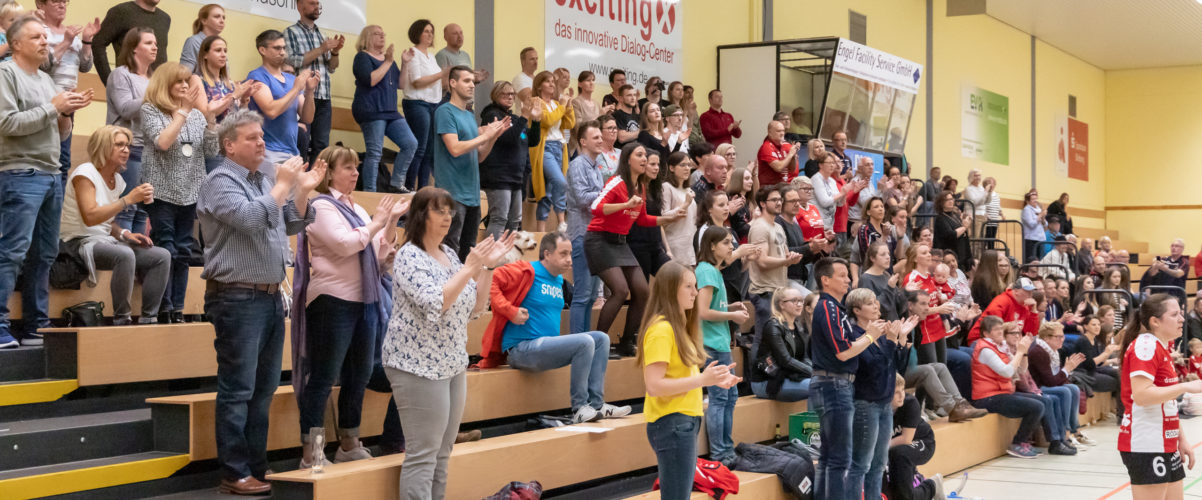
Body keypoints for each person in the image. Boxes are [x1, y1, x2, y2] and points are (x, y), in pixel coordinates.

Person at [197, 110, 324, 495]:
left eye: (262, 137)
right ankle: (234, 471)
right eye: (251, 138)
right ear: (229, 145)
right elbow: (252, 219)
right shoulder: (219, 181)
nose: (261, 143)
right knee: (238, 390)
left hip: (269, 296)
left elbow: (291, 222)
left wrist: (301, 190)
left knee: (263, 389)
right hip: (236, 296)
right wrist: (283, 184)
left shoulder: (264, 180)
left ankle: (256, 465)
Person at [382, 187, 513, 500]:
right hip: (416, 366)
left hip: (452, 363)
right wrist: (470, 267)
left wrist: (486, 267)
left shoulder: (450, 255)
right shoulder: (409, 256)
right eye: (438, 210)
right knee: (423, 454)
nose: (447, 217)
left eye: (449, 211)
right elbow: (435, 303)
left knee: (443, 453)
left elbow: (476, 307)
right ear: (420, 215)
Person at [293, 146, 407, 467]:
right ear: (329, 173)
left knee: (359, 375)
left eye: (357, 167)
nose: (356, 173)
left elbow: (377, 252)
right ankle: (312, 453)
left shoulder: (357, 209)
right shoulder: (320, 206)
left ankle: (348, 443)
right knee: (324, 378)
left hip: (364, 302)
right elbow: (345, 245)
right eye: (348, 167)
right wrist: (378, 222)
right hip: (332, 301)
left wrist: (390, 221)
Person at [0, 16, 92, 348]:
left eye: (45, 36)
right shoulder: (6, 74)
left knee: (45, 254)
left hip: (52, 174)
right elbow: (6, 123)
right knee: (12, 251)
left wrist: (66, 114)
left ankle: (35, 325)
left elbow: (61, 134)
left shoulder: (46, 80)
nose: (45, 42)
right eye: (37, 37)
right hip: (20, 173)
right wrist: (53, 108)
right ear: (15, 44)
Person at [487, 231, 632, 424]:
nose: (569, 259)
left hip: (545, 348)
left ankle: (597, 404)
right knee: (584, 341)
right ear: (547, 254)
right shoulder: (526, 269)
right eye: (563, 254)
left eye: (570, 254)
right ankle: (580, 407)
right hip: (521, 349)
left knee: (601, 339)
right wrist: (510, 311)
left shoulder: (558, 280)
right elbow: (492, 279)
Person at [640, 261, 741, 500]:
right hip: (672, 423)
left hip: (683, 421)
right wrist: (703, 380)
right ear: (670, 289)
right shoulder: (661, 330)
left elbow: (681, 377)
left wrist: (714, 379)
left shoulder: (678, 327)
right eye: (689, 286)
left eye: (695, 286)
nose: (695, 292)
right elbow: (654, 386)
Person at [59, 125, 168, 326]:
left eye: (127, 145)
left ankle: (149, 318)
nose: (126, 150)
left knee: (161, 256)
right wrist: (127, 200)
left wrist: (125, 234)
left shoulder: (117, 180)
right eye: (119, 145)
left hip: (104, 240)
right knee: (124, 254)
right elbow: (90, 217)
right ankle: (122, 318)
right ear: (102, 147)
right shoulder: (85, 173)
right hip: (77, 242)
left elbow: (107, 222)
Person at [587, 144, 684, 356]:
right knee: (621, 291)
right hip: (600, 240)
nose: (644, 159)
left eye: (645, 155)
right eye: (639, 155)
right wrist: (625, 205)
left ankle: (626, 341)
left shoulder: (640, 186)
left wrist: (668, 218)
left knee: (643, 291)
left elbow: (642, 219)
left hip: (620, 243)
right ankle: (597, 345)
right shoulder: (617, 182)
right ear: (627, 160)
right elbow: (595, 208)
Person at [140, 62, 218, 323]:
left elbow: (211, 152)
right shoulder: (150, 110)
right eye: (179, 82)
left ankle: (178, 309)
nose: (185, 86)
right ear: (165, 84)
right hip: (161, 190)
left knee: (184, 251)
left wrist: (210, 120)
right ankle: (163, 307)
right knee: (166, 248)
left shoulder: (196, 115)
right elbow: (163, 142)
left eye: (187, 81)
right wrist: (182, 112)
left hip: (190, 191)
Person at [1118, 294, 1202, 499]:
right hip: (1146, 442)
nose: (1182, 319)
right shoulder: (1145, 346)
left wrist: (1181, 438)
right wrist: (1186, 386)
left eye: (1181, 313)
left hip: (1165, 441)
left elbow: (1166, 401)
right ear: (1155, 321)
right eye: (1174, 315)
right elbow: (1142, 395)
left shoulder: (1161, 346)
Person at [810, 257, 876, 500]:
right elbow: (843, 351)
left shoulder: (835, 308)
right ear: (825, 280)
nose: (848, 279)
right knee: (839, 459)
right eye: (842, 275)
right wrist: (870, 336)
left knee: (829, 457)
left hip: (832, 384)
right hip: (834, 384)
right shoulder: (828, 307)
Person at [434, 66, 508, 262]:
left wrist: (493, 137)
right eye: (466, 81)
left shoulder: (468, 115)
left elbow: (479, 156)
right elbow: (455, 148)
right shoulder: (444, 111)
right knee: (449, 251)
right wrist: (485, 135)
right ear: (452, 83)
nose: (472, 85)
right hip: (452, 194)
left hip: (472, 196)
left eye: (473, 82)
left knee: (467, 254)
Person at [693, 226, 750, 466]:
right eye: (726, 242)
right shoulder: (706, 271)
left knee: (729, 396)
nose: (731, 247)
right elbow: (702, 311)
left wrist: (730, 307)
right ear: (712, 246)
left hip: (718, 341)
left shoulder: (713, 270)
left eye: (731, 242)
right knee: (720, 397)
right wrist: (732, 316)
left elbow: (713, 306)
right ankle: (720, 453)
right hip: (711, 343)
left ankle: (726, 448)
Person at [847, 288, 909, 500]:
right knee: (861, 464)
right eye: (870, 303)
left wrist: (901, 339)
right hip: (866, 404)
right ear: (857, 310)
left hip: (884, 404)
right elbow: (873, 367)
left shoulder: (881, 333)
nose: (876, 306)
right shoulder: (855, 335)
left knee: (879, 464)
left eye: (876, 302)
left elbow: (897, 366)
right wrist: (890, 340)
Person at [36, 0, 98, 178]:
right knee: (43, 159)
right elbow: (43, 66)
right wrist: (66, 42)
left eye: (65, 1)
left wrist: (86, 40)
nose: (62, 5)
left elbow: (85, 67)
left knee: (63, 161)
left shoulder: (71, 34)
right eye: (56, 1)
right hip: (45, 103)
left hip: (68, 106)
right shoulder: (39, 32)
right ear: (40, 4)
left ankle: (57, 196)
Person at [352, 25, 418, 193]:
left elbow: (401, 84)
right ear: (367, 38)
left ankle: (396, 184)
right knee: (375, 153)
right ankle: (370, 192)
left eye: (383, 34)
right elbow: (371, 80)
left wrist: (405, 63)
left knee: (410, 143)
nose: (382, 37)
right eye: (377, 34)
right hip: (371, 110)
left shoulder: (388, 60)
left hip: (390, 111)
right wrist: (388, 61)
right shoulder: (362, 57)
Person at [971, 315, 1044, 459]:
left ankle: (1029, 442)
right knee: (1036, 407)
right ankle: (1018, 443)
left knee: (1042, 401)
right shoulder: (985, 350)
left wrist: (1024, 352)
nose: (1000, 332)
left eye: (1001, 328)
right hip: (987, 398)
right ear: (986, 333)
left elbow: (1021, 370)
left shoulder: (1001, 347)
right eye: (996, 329)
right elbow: (1007, 372)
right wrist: (1019, 352)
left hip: (1001, 392)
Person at [106, 27, 155, 235]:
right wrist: (154, 96)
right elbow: (125, 108)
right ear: (134, 48)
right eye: (149, 43)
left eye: (155, 43)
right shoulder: (121, 74)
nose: (155, 47)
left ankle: (139, 253)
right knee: (127, 209)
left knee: (143, 211)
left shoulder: (153, 79)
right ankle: (123, 251)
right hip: (129, 148)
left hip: (150, 149)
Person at [247, 30, 318, 173]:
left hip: (292, 151)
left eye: (284, 48)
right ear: (262, 50)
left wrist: (310, 91)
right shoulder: (257, 76)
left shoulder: (291, 79)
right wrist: (296, 88)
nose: (282, 52)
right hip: (268, 151)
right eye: (277, 48)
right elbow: (271, 111)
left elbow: (307, 118)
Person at [285, 0, 343, 163]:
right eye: (312, 3)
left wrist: (335, 53)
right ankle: (298, 177)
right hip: (303, 96)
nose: (316, 7)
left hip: (324, 96)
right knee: (301, 142)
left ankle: (316, 178)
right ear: (299, 6)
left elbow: (332, 67)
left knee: (322, 146)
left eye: (318, 4)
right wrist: (322, 49)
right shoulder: (290, 32)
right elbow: (293, 61)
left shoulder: (322, 35)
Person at [481, 80, 539, 238]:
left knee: (514, 221)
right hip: (498, 176)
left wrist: (536, 120)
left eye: (512, 94)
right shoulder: (492, 115)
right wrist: (524, 116)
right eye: (505, 93)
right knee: (499, 219)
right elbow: (509, 139)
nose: (510, 97)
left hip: (515, 177)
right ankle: (491, 253)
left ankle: (508, 252)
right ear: (495, 95)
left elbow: (531, 140)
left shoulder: (513, 118)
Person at [748, 188, 805, 336]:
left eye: (780, 199)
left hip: (778, 290)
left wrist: (792, 258)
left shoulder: (778, 227)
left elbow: (784, 256)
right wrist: (786, 260)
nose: (779, 203)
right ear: (762, 204)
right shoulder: (760, 227)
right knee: (763, 339)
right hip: (764, 291)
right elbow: (762, 262)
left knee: (777, 338)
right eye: (774, 200)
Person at [565, 121, 604, 334]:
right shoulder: (578, 164)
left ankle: (586, 340)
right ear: (583, 142)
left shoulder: (596, 166)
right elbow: (581, 198)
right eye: (595, 137)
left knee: (591, 296)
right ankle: (578, 341)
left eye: (600, 136)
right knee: (582, 295)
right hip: (582, 234)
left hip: (595, 236)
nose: (600, 140)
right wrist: (607, 194)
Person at [1028, 322, 1093, 446]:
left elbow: (1057, 379)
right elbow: (1050, 382)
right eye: (1058, 337)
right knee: (1065, 391)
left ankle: (1075, 431)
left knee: (1073, 388)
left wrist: (1067, 370)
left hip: (1046, 385)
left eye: (1062, 336)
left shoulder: (1053, 351)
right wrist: (1066, 370)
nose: (1062, 339)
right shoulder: (1039, 352)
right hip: (1036, 388)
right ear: (1046, 338)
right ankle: (1066, 434)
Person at [401, 20, 448, 190]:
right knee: (419, 148)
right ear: (417, 33)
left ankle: (423, 189)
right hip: (417, 103)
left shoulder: (431, 56)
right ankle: (409, 187)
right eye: (426, 31)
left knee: (429, 150)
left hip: (433, 104)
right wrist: (442, 74)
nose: (430, 34)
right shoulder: (413, 53)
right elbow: (417, 81)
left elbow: (435, 83)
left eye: (431, 31)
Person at [195, 36, 257, 165]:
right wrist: (233, 97)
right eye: (218, 50)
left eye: (225, 51)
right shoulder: (197, 80)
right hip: (213, 146)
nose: (223, 55)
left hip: (234, 146)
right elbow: (204, 115)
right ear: (205, 55)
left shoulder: (230, 84)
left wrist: (244, 101)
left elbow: (239, 118)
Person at [886, 374, 947, 500]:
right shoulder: (876, 409)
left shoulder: (910, 403)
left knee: (898, 453)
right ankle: (925, 485)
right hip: (897, 449)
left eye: (903, 390)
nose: (901, 395)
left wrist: (879, 447)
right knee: (901, 496)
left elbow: (906, 439)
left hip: (923, 441)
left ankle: (932, 486)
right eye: (896, 392)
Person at [529, 70, 575, 233]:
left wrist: (568, 106)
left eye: (553, 82)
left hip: (559, 147)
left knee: (547, 190)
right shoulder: (536, 102)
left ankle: (541, 231)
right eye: (548, 81)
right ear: (539, 86)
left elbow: (569, 124)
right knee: (560, 182)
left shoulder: (556, 104)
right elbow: (547, 120)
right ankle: (561, 221)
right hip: (545, 148)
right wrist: (562, 106)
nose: (552, 84)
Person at [751, 284, 813, 401]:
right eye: (794, 301)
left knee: (827, 383)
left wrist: (820, 372)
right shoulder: (773, 326)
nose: (799, 304)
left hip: (789, 377)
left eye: (801, 300)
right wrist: (814, 373)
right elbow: (786, 361)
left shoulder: (797, 326)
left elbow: (804, 358)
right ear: (782, 304)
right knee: (819, 386)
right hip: (768, 382)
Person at [91, 0, 169, 84]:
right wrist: (110, 82)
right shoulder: (121, 12)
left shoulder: (165, 18)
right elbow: (97, 44)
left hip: (158, 87)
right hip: (129, 85)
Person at [779, 183, 827, 284]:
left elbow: (802, 257)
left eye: (798, 200)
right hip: (785, 278)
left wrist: (814, 249)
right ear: (781, 203)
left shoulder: (795, 225)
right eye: (792, 201)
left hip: (799, 276)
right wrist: (809, 247)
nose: (797, 204)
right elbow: (781, 252)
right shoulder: (777, 224)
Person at [968, 277, 1040, 343]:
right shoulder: (1002, 302)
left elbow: (1031, 333)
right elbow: (994, 330)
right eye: (1027, 291)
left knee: (1032, 341)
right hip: (981, 339)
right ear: (1016, 291)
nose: (1031, 294)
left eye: (1031, 291)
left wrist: (1033, 311)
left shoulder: (1026, 306)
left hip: (1004, 340)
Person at [660, 151, 697, 266]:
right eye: (682, 165)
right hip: (675, 244)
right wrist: (685, 204)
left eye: (689, 165)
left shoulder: (688, 189)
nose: (687, 168)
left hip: (690, 244)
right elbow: (663, 216)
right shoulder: (666, 187)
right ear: (671, 168)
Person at [933, 191, 972, 272]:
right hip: (950, 255)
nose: (951, 201)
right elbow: (951, 235)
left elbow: (963, 233)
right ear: (941, 203)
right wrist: (964, 227)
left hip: (961, 254)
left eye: (951, 199)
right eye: (947, 200)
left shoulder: (955, 215)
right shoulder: (940, 218)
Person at [180, 4, 223, 73]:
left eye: (223, 17)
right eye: (217, 17)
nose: (222, 21)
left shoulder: (221, 44)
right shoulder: (193, 42)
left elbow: (224, 75)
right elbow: (184, 74)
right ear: (204, 21)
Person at [757, 120, 800, 186]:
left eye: (783, 131)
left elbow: (791, 170)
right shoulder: (766, 147)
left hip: (782, 186)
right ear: (770, 133)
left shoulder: (783, 146)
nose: (782, 133)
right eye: (778, 131)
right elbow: (778, 168)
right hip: (769, 188)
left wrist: (793, 156)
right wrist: (790, 154)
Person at [1021, 191, 1046, 263]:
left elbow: (1045, 224)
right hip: (1031, 239)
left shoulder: (1039, 209)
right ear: (1028, 201)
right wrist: (1040, 216)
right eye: (1033, 199)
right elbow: (1031, 224)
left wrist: (1043, 218)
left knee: (1039, 260)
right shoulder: (1026, 210)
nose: (1035, 201)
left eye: (1036, 199)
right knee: (1031, 260)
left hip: (1040, 238)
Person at [612, 84, 640, 148]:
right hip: (624, 151)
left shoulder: (637, 116)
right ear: (621, 99)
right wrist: (641, 132)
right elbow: (622, 138)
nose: (633, 98)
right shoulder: (617, 115)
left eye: (634, 95)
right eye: (629, 95)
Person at [511, 47, 537, 115]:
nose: (536, 62)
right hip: (524, 120)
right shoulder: (519, 78)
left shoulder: (537, 78)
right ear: (523, 62)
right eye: (532, 59)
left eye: (536, 59)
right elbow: (529, 100)